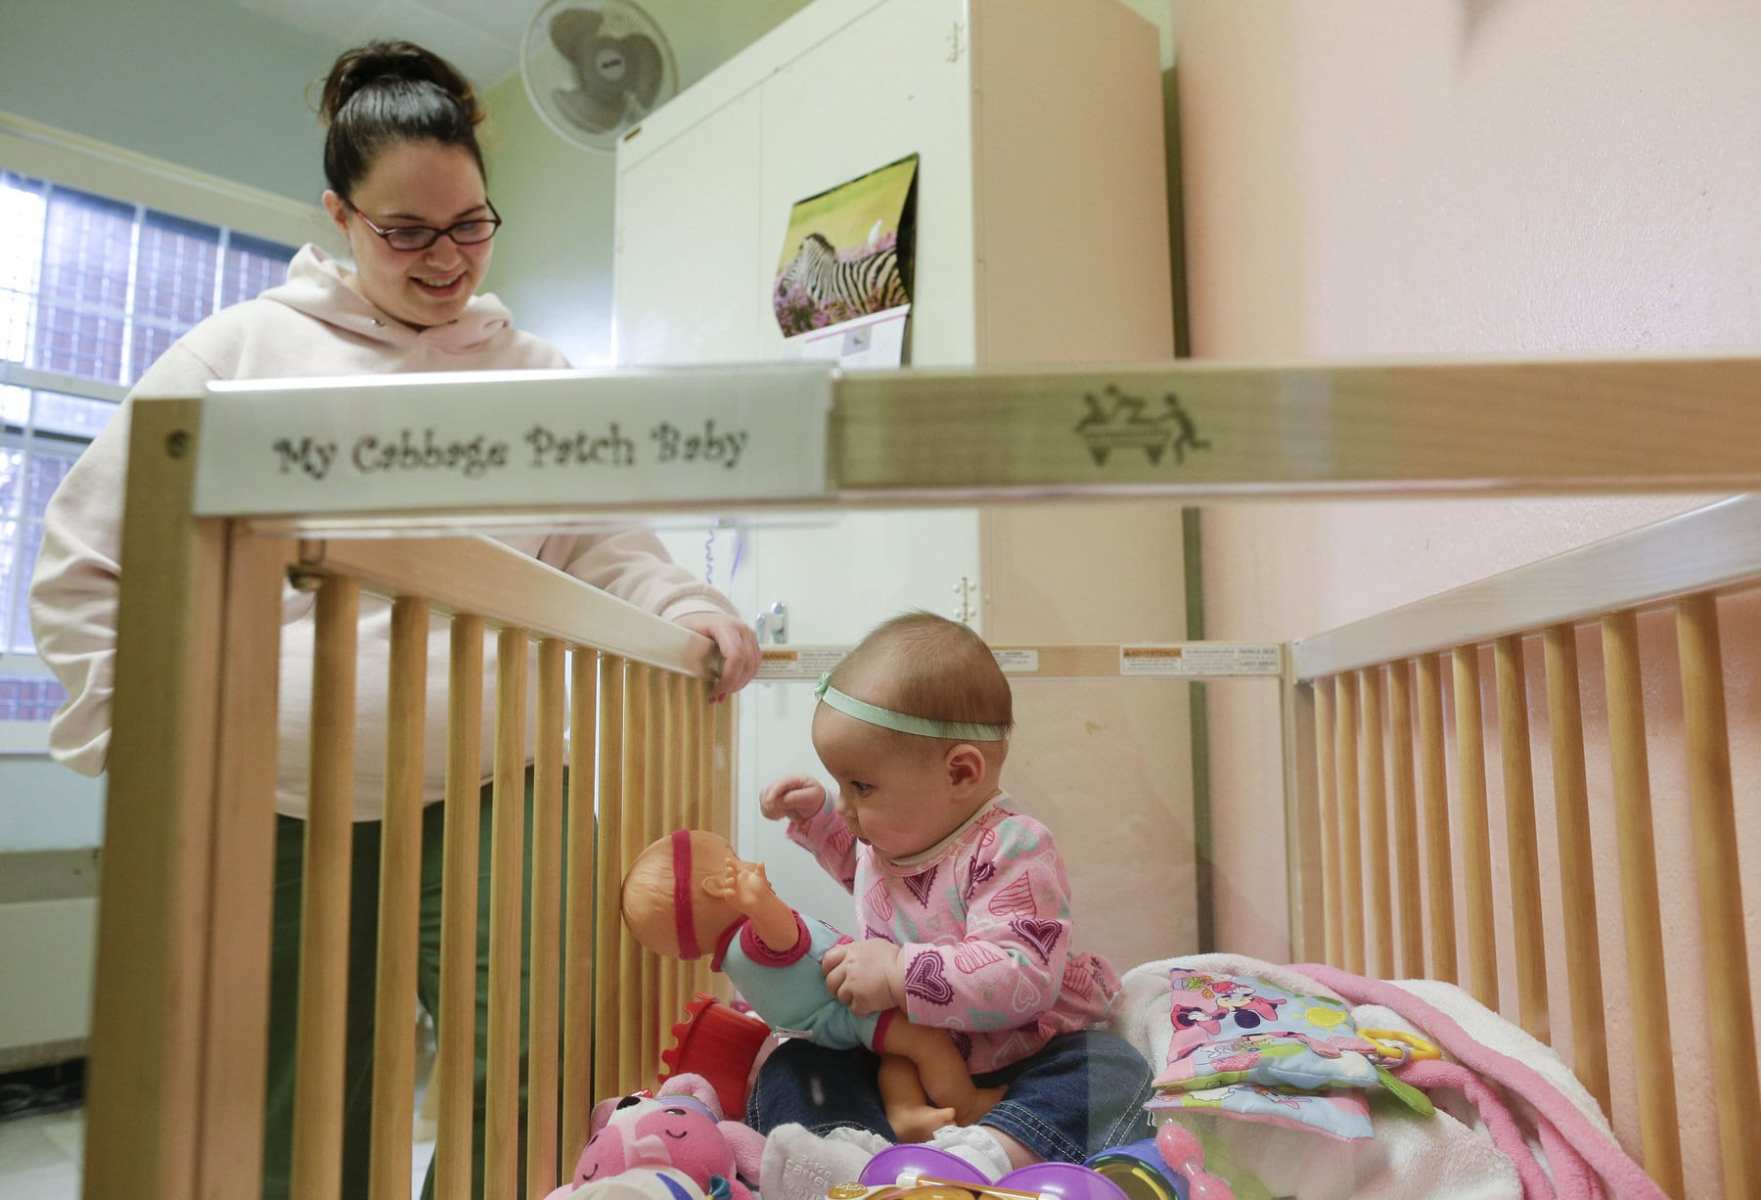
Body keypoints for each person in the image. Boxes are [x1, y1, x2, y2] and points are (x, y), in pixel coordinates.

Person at [26, 39, 759, 1200]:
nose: (446, 258)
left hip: (494, 777)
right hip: (268, 793)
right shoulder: (238, 354)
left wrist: (689, 611)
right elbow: (88, 565)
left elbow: (612, 547)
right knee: (290, 1089)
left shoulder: (538, 378)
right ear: (338, 214)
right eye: (406, 231)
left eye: (470, 224)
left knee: (537, 1061)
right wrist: (145, 749)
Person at [750, 613, 1153, 1196]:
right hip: (906, 1058)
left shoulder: (1012, 846)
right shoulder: (893, 838)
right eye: (841, 784)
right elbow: (870, 882)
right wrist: (818, 824)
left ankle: (989, 1152)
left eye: (860, 787)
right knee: (795, 1063)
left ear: (961, 772)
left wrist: (898, 973)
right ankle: (841, 1156)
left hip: (1016, 1058)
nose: (847, 805)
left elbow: (1023, 972)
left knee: (1112, 1070)